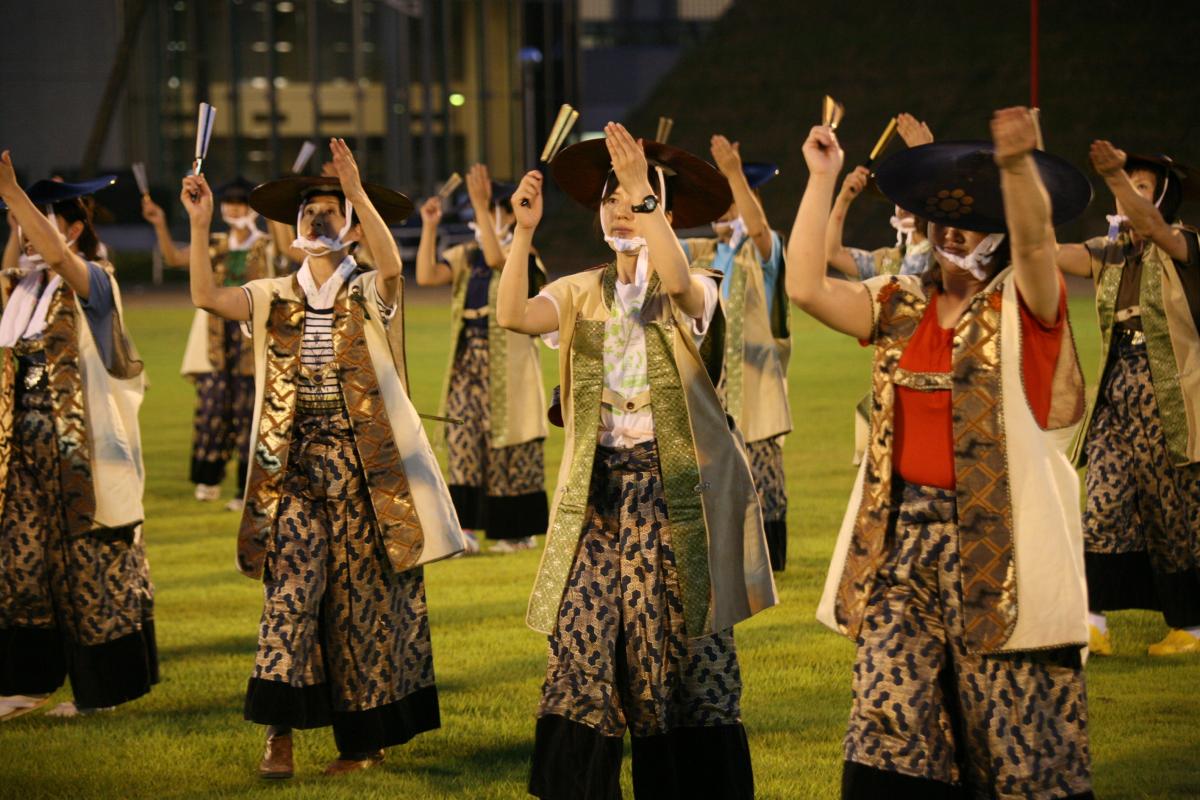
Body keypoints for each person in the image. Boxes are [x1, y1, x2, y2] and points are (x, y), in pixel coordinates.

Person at [788, 109, 1095, 799]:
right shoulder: (897, 301)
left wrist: (1017, 168)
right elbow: (806, 287)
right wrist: (821, 179)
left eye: (972, 220)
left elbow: (1041, 251)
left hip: (1002, 551)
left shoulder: (1024, 305)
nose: (952, 231)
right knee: (890, 720)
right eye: (942, 217)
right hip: (899, 546)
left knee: (1018, 737)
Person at [498, 122, 777, 800]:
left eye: (635, 198)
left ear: (662, 210)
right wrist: (523, 233)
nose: (620, 209)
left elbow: (676, 279)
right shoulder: (577, 291)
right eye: (610, 200)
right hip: (596, 500)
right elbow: (511, 314)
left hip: (676, 498)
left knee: (676, 655)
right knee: (584, 642)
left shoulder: (698, 285)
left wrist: (645, 198)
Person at [179, 138, 464, 778]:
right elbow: (205, 296)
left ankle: (363, 742)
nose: (317, 219)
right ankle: (278, 733)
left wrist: (357, 192)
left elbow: (393, 266)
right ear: (294, 228)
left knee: (362, 606)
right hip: (294, 473)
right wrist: (199, 226)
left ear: (353, 229)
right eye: (309, 212)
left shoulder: (367, 290)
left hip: (365, 474)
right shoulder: (271, 293)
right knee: (289, 594)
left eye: (330, 211)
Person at [0, 157, 156, 721]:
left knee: (91, 569)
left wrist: (14, 196)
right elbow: (12, 267)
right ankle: (25, 682)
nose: (25, 235)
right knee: (21, 564)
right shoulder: (23, 292)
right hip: (21, 453)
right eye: (20, 225)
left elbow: (62, 257)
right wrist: (16, 219)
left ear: (69, 227)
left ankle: (104, 691)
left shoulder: (93, 279)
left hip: (83, 456)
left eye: (39, 222)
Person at [1056, 143, 1200, 656]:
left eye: (1142, 187)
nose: (1130, 197)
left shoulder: (1184, 243)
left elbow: (1157, 228)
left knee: (1173, 512)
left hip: (1171, 399)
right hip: (1116, 393)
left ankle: (1190, 626)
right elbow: (1050, 253)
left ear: (1163, 195)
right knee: (1101, 500)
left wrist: (1115, 176)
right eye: (1128, 185)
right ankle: (1092, 618)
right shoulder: (1111, 251)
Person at [416, 163, 549, 554]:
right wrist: (429, 226)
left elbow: (498, 260)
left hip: (508, 366)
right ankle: (466, 529)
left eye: (491, 209)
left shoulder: (525, 254)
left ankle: (515, 530)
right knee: (463, 442)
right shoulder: (466, 255)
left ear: (510, 214)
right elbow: (425, 275)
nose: (482, 217)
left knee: (510, 445)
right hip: (467, 365)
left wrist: (478, 203)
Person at [679, 136, 792, 570]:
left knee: (763, 474)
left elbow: (760, 230)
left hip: (757, 386)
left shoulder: (763, 252)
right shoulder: (707, 251)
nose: (722, 213)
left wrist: (733, 173)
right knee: (713, 473)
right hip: (713, 383)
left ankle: (767, 563)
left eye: (731, 203)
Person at [142, 177, 275, 508]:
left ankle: (246, 487)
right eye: (230, 202)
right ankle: (208, 478)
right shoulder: (215, 243)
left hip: (250, 340)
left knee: (251, 413)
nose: (233, 209)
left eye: (241, 203)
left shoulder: (268, 245)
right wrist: (160, 223)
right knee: (213, 408)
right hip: (216, 340)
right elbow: (174, 257)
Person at [826, 114, 937, 281]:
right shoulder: (890, 261)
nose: (905, 202)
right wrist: (843, 199)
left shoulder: (946, 255)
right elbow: (832, 253)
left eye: (913, 192)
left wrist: (928, 159)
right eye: (901, 194)